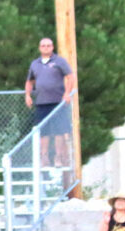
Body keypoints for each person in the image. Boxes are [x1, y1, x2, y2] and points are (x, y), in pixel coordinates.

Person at [25, 37, 75, 167]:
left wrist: (67, 93)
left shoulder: (59, 61)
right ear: (39, 48)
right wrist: (28, 95)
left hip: (58, 102)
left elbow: (70, 77)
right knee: (43, 132)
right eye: (43, 46)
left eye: (48, 46)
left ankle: (58, 157)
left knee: (59, 131)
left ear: (52, 47)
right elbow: (30, 81)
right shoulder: (35, 64)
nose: (46, 48)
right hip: (41, 102)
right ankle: (44, 158)